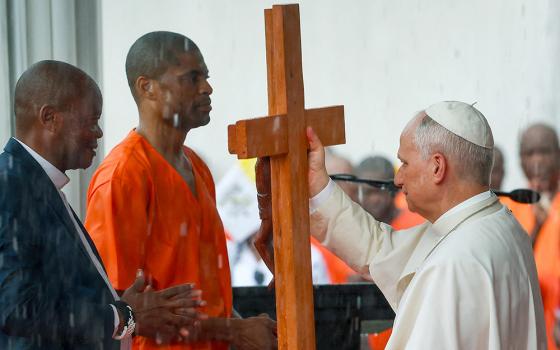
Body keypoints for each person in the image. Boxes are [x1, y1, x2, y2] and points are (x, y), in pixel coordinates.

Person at [85, 32, 277, 350]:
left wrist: (240, 327)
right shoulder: (123, 176)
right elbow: (123, 313)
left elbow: (204, 294)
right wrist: (233, 330)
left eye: (206, 76)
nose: (207, 88)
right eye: (192, 78)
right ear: (147, 87)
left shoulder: (196, 165)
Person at [305, 101, 546, 349]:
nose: (398, 180)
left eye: (405, 164)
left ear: (437, 167)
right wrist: (319, 189)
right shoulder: (499, 225)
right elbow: (381, 250)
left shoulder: (452, 263)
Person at [0, 60, 203, 349]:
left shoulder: (36, 183)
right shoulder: (10, 185)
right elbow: (15, 309)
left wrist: (121, 304)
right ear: (50, 118)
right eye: (91, 120)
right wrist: (124, 316)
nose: (98, 133)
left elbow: (48, 297)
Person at [505, 123, 560, 349]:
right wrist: (536, 227)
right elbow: (507, 268)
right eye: (530, 153)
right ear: (520, 161)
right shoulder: (508, 206)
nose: (537, 161)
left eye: (544, 152)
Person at [355, 156, 424, 230]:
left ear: (395, 188)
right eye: (367, 192)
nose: (374, 199)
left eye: (380, 191)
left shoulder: (418, 225)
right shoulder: (355, 228)